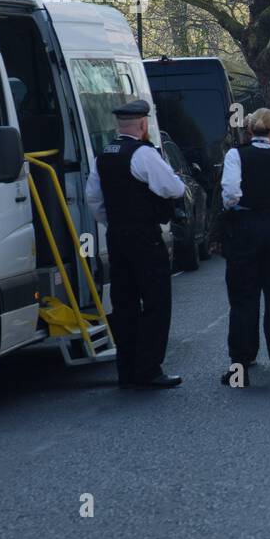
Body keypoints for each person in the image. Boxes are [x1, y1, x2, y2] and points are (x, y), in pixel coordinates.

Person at [85, 100, 186, 389]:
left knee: (124, 302)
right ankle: (150, 368)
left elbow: (94, 198)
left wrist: (112, 222)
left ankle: (126, 370)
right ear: (142, 125)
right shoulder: (143, 154)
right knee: (156, 301)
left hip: (116, 235)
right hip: (144, 235)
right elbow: (173, 188)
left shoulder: (103, 155)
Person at [219, 108, 270, 386]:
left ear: (249, 129)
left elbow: (230, 194)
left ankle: (240, 367)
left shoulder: (235, 155)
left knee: (243, 299)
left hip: (245, 227)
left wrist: (239, 206)